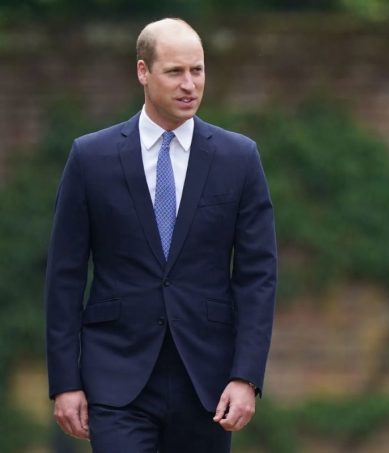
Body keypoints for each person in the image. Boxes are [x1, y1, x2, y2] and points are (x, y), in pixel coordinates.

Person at [45, 18, 277, 452]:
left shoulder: (239, 158)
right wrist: (64, 381)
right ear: (142, 72)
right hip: (115, 378)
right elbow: (64, 275)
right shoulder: (90, 158)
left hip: (206, 382)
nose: (189, 84)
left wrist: (246, 376)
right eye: (175, 72)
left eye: (198, 70)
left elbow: (257, 277)